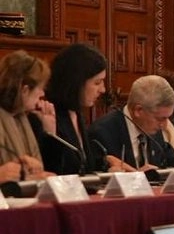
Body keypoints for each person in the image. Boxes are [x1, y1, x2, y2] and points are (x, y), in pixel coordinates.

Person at [90, 75, 174, 171]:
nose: (164, 126)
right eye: (160, 119)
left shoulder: (152, 127)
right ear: (138, 110)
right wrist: (134, 177)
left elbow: (169, 157)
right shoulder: (102, 133)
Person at [40, 42, 108, 174]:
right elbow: (53, 170)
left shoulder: (76, 113)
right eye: (97, 83)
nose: (103, 89)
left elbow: (83, 166)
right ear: (76, 82)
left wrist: (107, 166)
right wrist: (50, 136)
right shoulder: (46, 114)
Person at [0, 51, 56, 182]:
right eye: (40, 88)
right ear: (24, 90)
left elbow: (29, 173)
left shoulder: (25, 118)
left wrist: (37, 177)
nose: (42, 94)